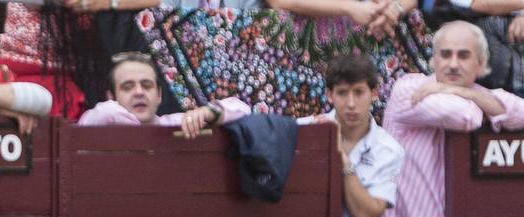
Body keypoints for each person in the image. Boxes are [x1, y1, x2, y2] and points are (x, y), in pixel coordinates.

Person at [138, 0, 431, 118]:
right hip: (298, 62)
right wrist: (352, 8)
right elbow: (281, 1)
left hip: (375, 45)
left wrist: (393, 7)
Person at [382, 20, 524, 217]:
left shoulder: (478, 93)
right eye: (445, 55)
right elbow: (465, 117)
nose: (453, 64)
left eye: (463, 56)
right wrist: (482, 102)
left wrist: (468, 93)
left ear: (482, 63)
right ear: (434, 60)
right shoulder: (408, 88)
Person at [309, 51, 404, 217]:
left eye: (359, 92)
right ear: (329, 95)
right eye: (342, 93)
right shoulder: (307, 130)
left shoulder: (390, 150)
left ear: (374, 93)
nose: (351, 103)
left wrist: (342, 161)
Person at [77, 51, 248, 136]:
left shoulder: (173, 125)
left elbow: (243, 110)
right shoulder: (102, 120)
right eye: (127, 87)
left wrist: (207, 112)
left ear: (159, 95)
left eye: (147, 85)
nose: (139, 92)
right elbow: (86, 126)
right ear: (111, 97)